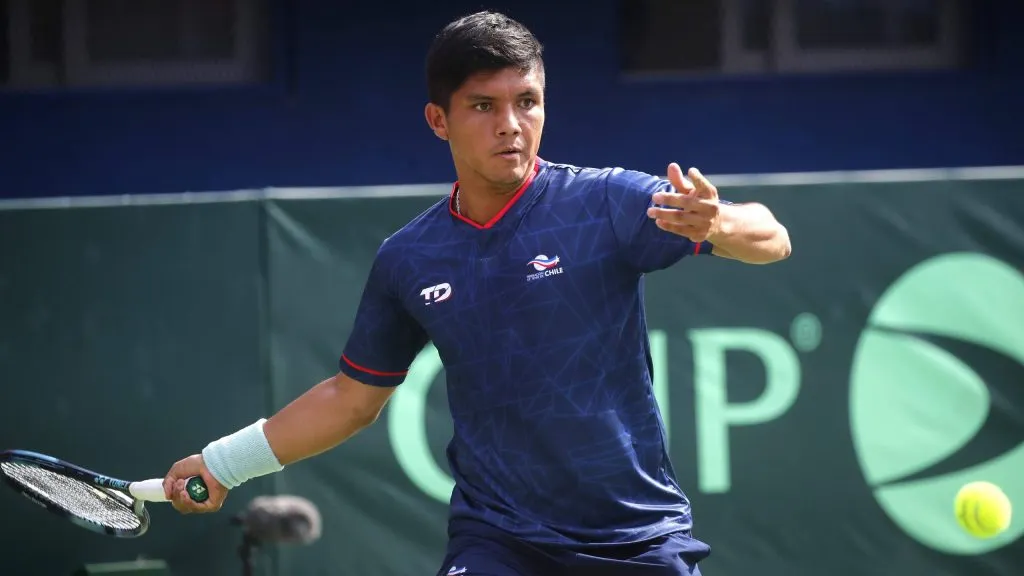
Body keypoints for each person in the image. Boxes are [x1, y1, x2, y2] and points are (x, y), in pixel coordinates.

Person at [162, 10, 791, 576]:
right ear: (439, 120)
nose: (512, 126)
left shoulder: (605, 202)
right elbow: (350, 399)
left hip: (636, 537)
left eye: (528, 101)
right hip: (499, 541)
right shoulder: (409, 258)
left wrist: (718, 223)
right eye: (484, 106)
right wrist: (224, 463)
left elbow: (773, 236)